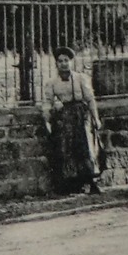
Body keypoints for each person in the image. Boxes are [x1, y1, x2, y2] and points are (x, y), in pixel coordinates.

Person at [41, 47, 102, 195]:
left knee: (87, 147)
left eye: (66, 61)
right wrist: (47, 120)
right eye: (60, 61)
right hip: (64, 118)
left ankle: (92, 182)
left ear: (71, 62)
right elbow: (47, 103)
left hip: (81, 115)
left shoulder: (81, 78)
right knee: (66, 148)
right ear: (56, 63)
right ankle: (71, 184)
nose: (63, 64)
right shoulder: (52, 83)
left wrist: (96, 118)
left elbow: (90, 99)